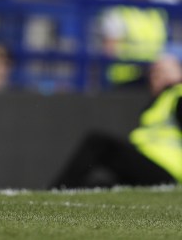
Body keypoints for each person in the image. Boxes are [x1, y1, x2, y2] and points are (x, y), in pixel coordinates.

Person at [50, 52, 182, 189]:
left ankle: (56, 190)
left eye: (162, 71)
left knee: (98, 143)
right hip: (147, 167)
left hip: (165, 169)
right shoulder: (162, 100)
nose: (156, 77)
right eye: (153, 73)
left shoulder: (178, 95)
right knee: (97, 186)